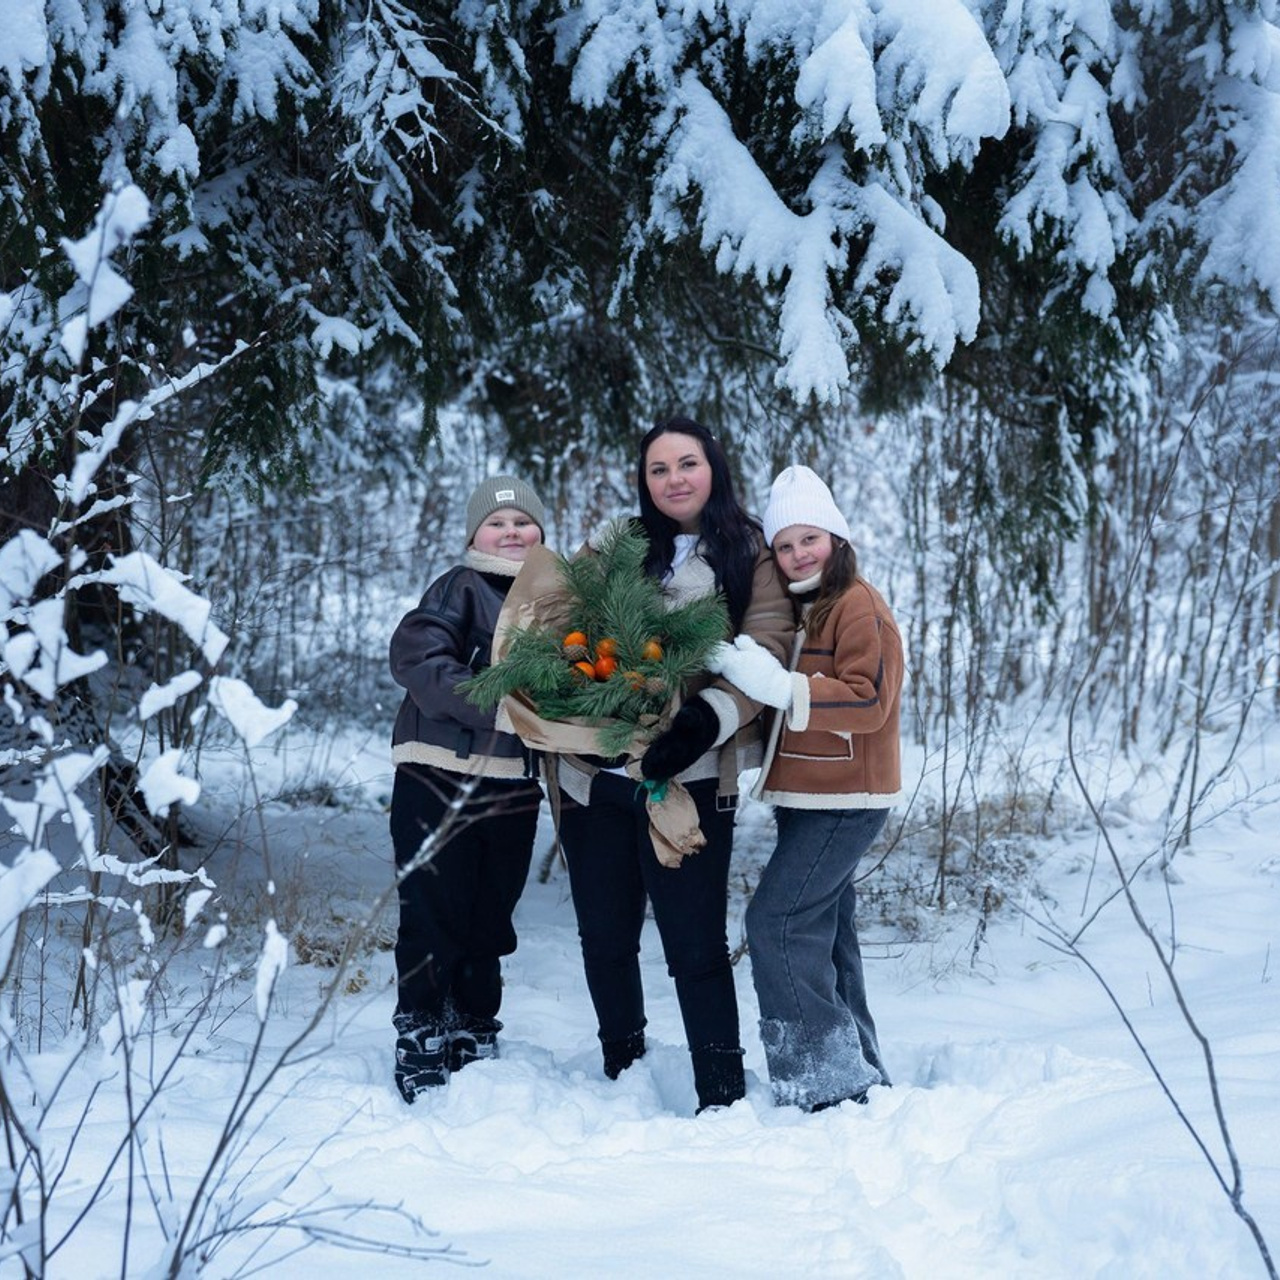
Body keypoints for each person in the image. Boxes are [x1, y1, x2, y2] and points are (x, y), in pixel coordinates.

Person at [555, 417, 793, 1113]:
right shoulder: (615, 547)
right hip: (594, 772)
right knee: (604, 933)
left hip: (686, 777)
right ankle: (622, 1068)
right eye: (658, 469)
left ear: (713, 467)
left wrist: (699, 724)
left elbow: (769, 649)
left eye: (686, 463)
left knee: (694, 941)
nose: (673, 480)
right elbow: (558, 623)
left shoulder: (749, 554)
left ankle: (719, 1088)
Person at [707, 464, 904, 1112]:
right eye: (784, 544)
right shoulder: (806, 606)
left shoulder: (858, 606)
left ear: (836, 538)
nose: (797, 554)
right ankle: (858, 1068)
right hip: (810, 798)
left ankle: (821, 1082)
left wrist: (779, 687)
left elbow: (869, 699)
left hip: (846, 799)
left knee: (777, 923)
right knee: (825, 930)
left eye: (809, 539)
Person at [387, 475, 547, 1102]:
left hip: (512, 783)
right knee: (434, 907)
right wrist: (498, 704)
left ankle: (474, 1021)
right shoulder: (459, 587)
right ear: (474, 535)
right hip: (438, 769)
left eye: (523, 523)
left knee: (489, 912)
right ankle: (421, 1025)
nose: (511, 534)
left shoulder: (555, 599)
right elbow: (418, 657)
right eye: (497, 524)